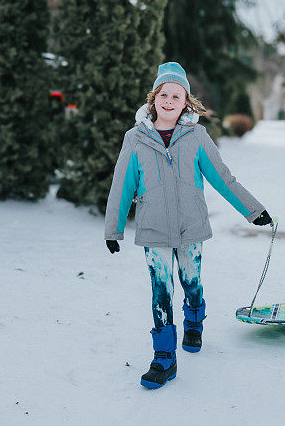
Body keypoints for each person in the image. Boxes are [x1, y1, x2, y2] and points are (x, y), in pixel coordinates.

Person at [104, 61, 272, 389]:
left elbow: (223, 178)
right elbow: (122, 184)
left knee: (191, 281)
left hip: (191, 226)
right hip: (153, 229)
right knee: (161, 291)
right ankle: (163, 358)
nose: (169, 100)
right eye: (163, 94)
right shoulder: (135, 139)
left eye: (177, 95)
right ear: (154, 99)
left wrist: (253, 210)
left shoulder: (196, 136)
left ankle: (194, 319)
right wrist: (114, 228)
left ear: (186, 102)